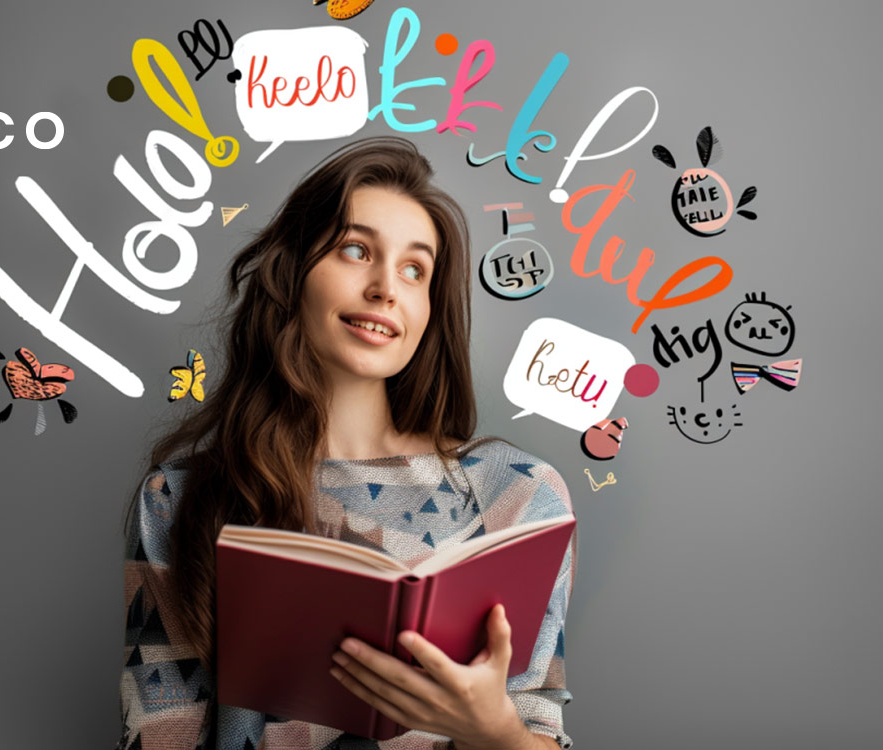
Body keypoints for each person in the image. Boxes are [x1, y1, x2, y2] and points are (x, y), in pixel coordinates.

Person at [117, 137, 577, 750]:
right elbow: (157, 735)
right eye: (356, 250)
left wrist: (489, 729)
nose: (387, 287)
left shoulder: (515, 494)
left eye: (416, 269)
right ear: (294, 273)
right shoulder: (179, 497)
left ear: (429, 308)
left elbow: (542, 729)